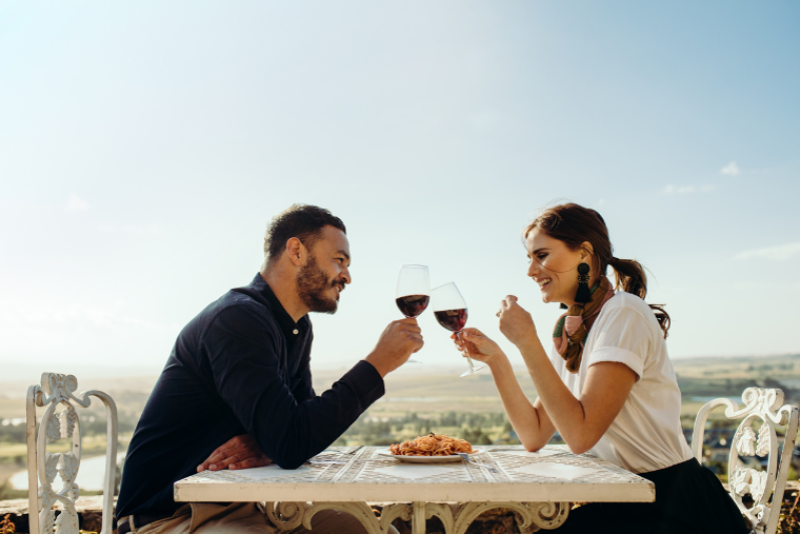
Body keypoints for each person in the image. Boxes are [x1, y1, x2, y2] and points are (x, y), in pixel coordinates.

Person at [116, 204, 423, 534]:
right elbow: (292, 443)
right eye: (339, 260)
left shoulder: (296, 328)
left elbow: (301, 430)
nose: (346, 276)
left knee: (376, 530)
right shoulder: (237, 319)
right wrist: (377, 365)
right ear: (296, 251)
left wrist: (268, 442)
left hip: (244, 504)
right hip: (171, 516)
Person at [454, 203, 748, 534]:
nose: (531, 271)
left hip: (671, 504)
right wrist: (497, 360)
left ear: (584, 253)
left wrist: (527, 342)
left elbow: (580, 435)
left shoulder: (623, 313)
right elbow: (534, 434)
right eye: (530, 258)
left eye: (542, 255)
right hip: (623, 500)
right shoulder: (570, 330)